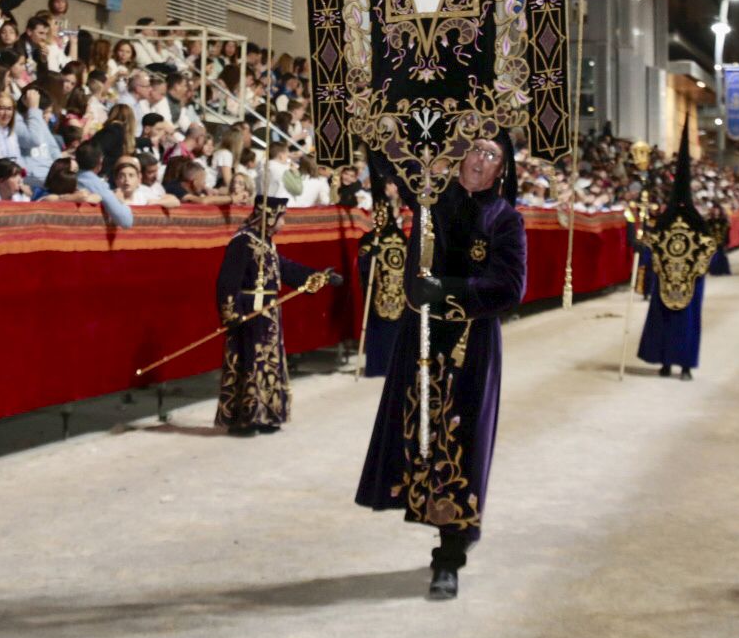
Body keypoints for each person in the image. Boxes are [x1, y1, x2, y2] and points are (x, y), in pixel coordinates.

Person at [356, 134, 526, 601]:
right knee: (417, 434)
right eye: (475, 149)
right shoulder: (431, 196)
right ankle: (430, 515)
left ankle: (448, 557)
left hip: (470, 346)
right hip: (421, 339)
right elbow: (391, 158)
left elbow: (509, 287)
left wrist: (448, 289)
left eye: (492, 155)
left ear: (501, 170)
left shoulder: (505, 219)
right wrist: (376, 122)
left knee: (463, 443)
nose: (480, 160)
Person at [212, 187, 339, 436]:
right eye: (281, 216)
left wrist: (319, 276)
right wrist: (231, 313)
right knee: (249, 364)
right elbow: (227, 282)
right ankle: (244, 418)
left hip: (269, 314)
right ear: (268, 215)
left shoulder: (266, 243)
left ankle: (267, 415)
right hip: (249, 313)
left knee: (268, 365)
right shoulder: (243, 242)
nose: (283, 221)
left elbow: (287, 269)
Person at [636, 129, 710, 381]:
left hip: (689, 280)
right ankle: (666, 362)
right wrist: (646, 237)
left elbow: (708, 246)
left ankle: (686, 365)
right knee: (664, 322)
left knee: (686, 324)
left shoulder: (697, 221)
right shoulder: (664, 220)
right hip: (666, 278)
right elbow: (655, 243)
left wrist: (696, 269)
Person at [357, 177, 411, 378]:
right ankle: (377, 366)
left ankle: (394, 366)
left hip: (397, 290)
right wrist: (369, 255)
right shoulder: (369, 239)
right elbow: (362, 266)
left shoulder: (401, 237)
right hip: (378, 289)